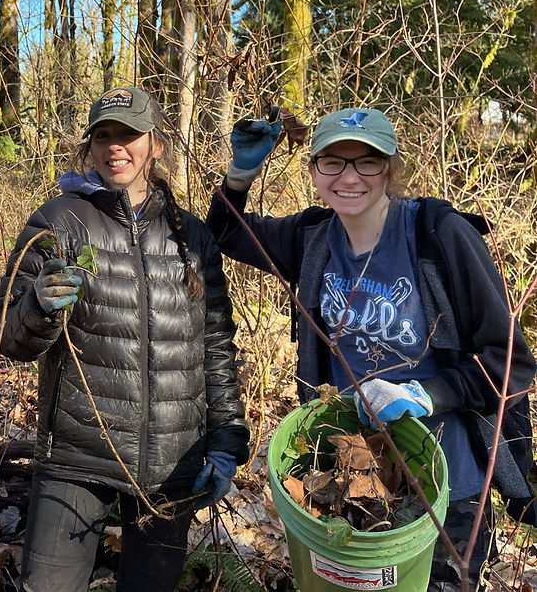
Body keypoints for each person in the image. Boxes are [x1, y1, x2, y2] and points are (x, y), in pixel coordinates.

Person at [208, 106, 536, 590]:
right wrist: (241, 172)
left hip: (446, 481)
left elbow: (511, 361)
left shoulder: (437, 236)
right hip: (353, 476)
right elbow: (225, 232)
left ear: (391, 166)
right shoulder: (312, 238)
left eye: (368, 162)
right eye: (333, 162)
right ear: (315, 168)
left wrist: (428, 395)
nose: (349, 177)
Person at [0, 86, 251, 592]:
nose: (115, 147)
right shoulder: (59, 220)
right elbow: (7, 336)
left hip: (172, 461)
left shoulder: (192, 236)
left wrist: (225, 443)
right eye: (102, 136)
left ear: (156, 144)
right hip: (76, 453)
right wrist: (39, 306)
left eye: (129, 134)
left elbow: (215, 347)